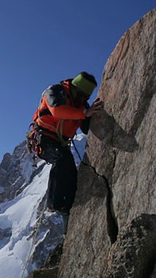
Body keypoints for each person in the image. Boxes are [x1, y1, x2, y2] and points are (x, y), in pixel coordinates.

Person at [28, 71, 104, 233]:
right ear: (74, 89)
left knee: (70, 172)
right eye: (81, 95)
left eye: (86, 98)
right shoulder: (55, 91)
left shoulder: (81, 105)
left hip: (59, 143)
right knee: (62, 160)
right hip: (44, 139)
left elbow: (86, 128)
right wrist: (84, 113)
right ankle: (54, 203)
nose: (83, 100)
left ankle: (66, 207)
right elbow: (57, 111)